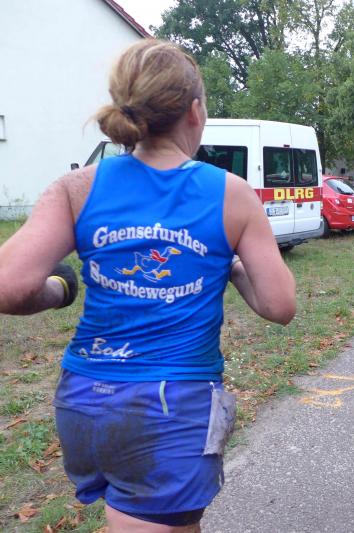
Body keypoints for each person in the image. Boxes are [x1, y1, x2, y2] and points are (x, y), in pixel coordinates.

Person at [0, 40, 296, 532]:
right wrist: (229, 264)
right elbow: (280, 305)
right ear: (195, 112)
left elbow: (7, 285)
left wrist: (59, 290)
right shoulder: (231, 194)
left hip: (83, 401)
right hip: (169, 411)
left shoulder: (77, 188)